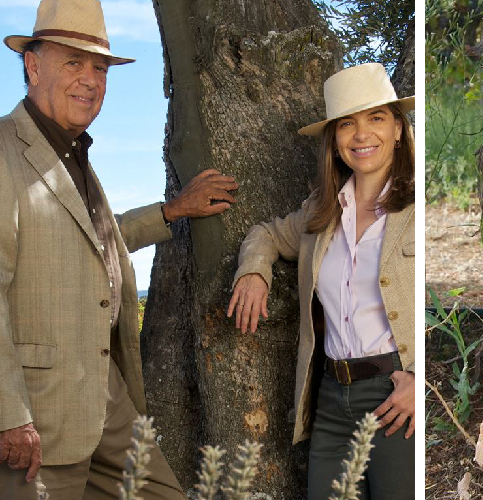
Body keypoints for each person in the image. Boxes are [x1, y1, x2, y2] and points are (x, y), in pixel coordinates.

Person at [0, 0, 239, 498]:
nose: (90, 80)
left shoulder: (71, 153)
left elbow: (93, 242)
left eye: (100, 68)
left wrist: (172, 211)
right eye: (74, 63)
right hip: (36, 415)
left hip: (105, 394)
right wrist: (9, 413)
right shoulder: (5, 151)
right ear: (33, 64)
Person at [227, 62, 415, 500]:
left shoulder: (416, 209)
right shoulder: (322, 213)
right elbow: (268, 234)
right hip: (331, 400)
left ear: (399, 128)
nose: (361, 135)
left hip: (396, 397)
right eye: (347, 124)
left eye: (376, 118)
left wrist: (419, 380)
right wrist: (254, 271)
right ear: (334, 141)